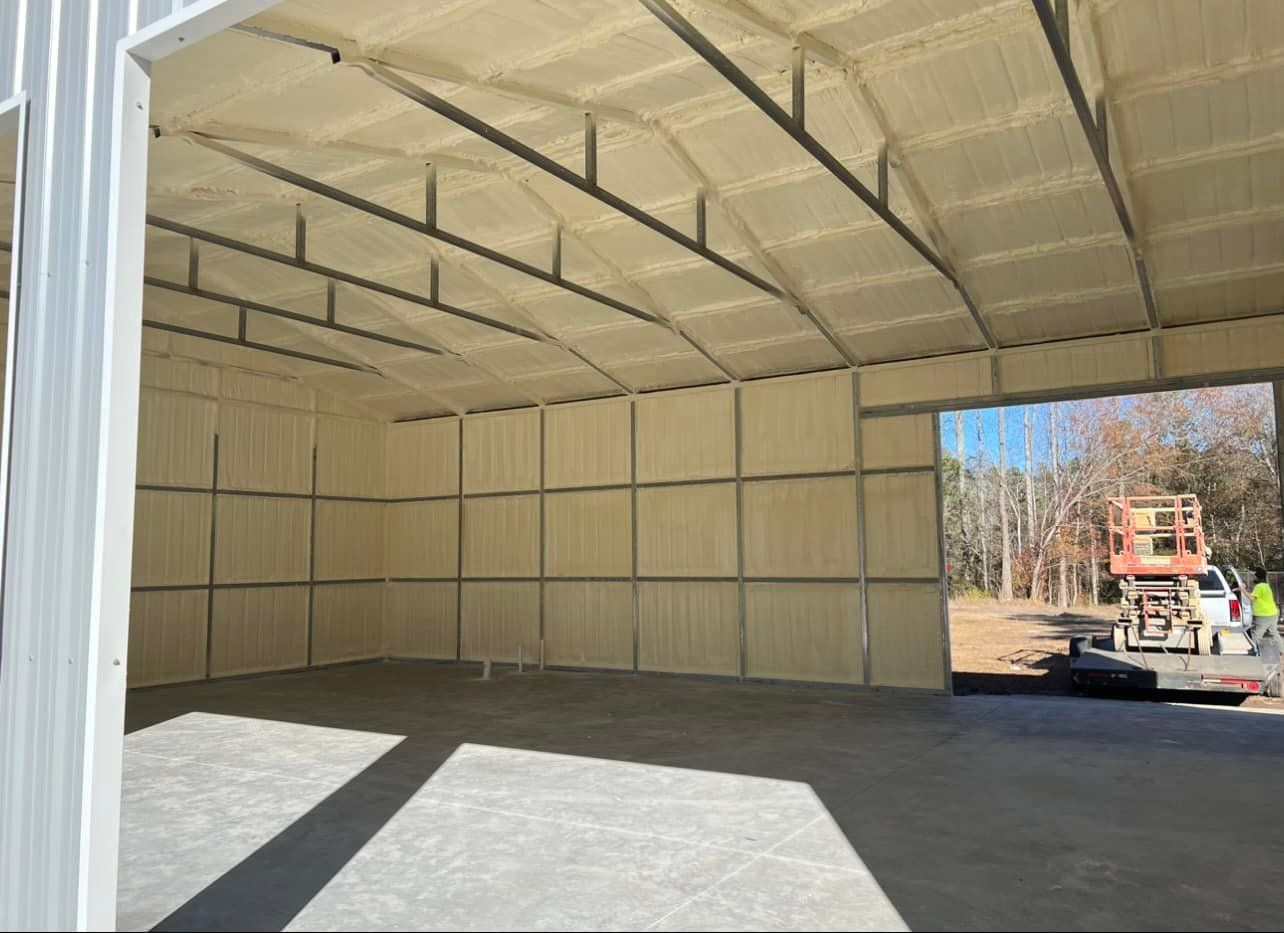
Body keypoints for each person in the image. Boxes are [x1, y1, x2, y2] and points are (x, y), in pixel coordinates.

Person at [1248, 567, 1281, 650]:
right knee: (1274, 634)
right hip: (1273, 613)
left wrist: (1242, 589)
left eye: (1255, 576)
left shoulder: (1259, 587)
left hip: (1264, 615)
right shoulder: (1266, 586)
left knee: (1256, 635)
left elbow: (1252, 598)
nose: (1253, 578)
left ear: (1258, 577)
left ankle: (1255, 650)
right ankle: (1282, 650)